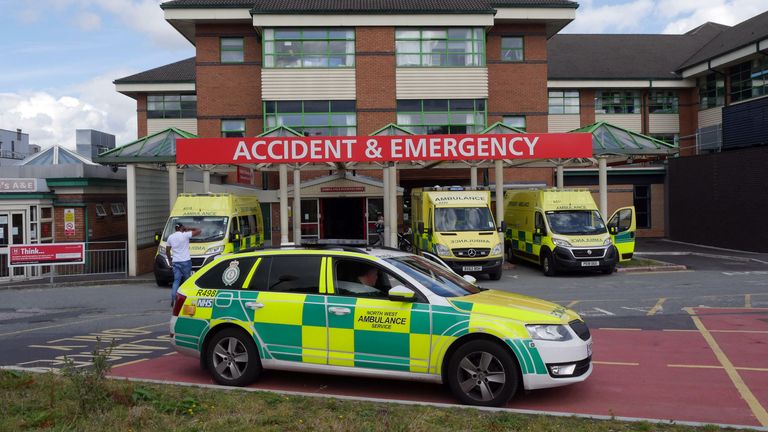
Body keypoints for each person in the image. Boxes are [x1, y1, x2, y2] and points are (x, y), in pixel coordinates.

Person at [167, 222, 201, 305]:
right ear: (181, 228)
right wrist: (188, 228)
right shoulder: (185, 235)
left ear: (175, 228)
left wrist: (170, 259)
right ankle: (187, 299)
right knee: (187, 281)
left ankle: (173, 299)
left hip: (176, 261)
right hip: (185, 261)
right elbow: (199, 230)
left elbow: (167, 250)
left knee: (176, 280)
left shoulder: (170, 237)